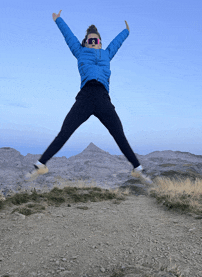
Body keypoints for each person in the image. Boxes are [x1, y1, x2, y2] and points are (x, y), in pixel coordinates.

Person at [25, 10, 152, 184]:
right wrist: (59, 20)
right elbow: (68, 36)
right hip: (85, 97)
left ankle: (138, 168)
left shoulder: (107, 54)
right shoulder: (80, 51)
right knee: (65, 132)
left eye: (96, 40)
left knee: (119, 134)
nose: (93, 43)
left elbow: (116, 43)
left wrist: (126, 32)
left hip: (103, 98)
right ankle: (41, 164)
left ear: (100, 43)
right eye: (90, 40)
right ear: (86, 42)